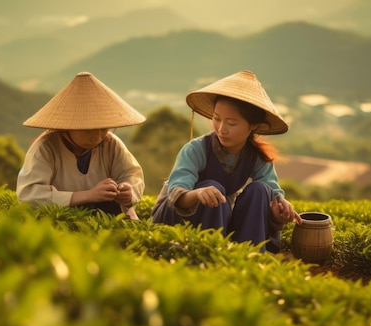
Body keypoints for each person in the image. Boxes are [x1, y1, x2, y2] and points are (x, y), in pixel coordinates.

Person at [151, 70, 302, 253]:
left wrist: (280, 207)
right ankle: (207, 253)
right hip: (175, 217)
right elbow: (176, 194)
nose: (222, 129)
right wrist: (198, 194)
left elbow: (272, 191)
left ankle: (249, 254)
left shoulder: (256, 157)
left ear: (252, 125)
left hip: (217, 218)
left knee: (261, 190)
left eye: (231, 123)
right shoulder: (196, 149)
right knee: (214, 187)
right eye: (216, 119)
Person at [17, 72, 145, 219]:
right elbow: (29, 194)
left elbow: (132, 175)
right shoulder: (45, 148)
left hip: (110, 216)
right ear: (68, 127)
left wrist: (128, 191)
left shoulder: (112, 144)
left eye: (103, 128)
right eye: (88, 130)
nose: (97, 136)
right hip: (62, 220)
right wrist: (87, 195)